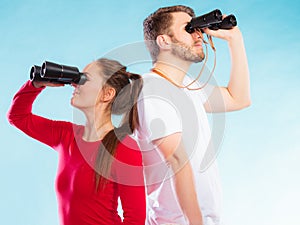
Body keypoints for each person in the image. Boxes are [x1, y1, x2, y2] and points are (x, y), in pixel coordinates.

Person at [135, 5, 251, 225]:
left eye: (198, 27)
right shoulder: (153, 90)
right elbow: (177, 160)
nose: (198, 33)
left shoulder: (187, 86)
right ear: (164, 41)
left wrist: (236, 41)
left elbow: (239, 98)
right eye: (188, 28)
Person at [7, 58, 146, 225]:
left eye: (84, 79)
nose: (74, 84)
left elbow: (135, 220)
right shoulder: (66, 135)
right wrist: (36, 85)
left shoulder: (124, 148)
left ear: (108, 94)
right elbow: (18, 117)